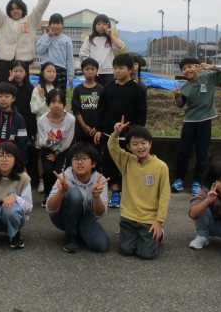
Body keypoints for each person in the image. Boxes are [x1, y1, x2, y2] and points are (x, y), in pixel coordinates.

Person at [108, 119, 170, 260]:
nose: (140, 147)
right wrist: (116, 133)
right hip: (128, 216)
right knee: (126, 250)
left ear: (150, 143)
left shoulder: (161, 167)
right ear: (129, 147)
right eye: (135, 144)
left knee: (146, 254)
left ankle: (159, 234)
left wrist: (159, 221)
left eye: (143, 143)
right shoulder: (127, 161)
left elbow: (164, 196)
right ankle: (138, 236)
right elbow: (112, 147)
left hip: (149, 219)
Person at [94, 53, 147, 208]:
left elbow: (141, 113)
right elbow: (101, 110)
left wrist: (137, 131)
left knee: (130, 165)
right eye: (115, 68)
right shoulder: (108, 88)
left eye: (120, 68)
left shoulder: (138, 89)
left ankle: (130, 193)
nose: (116, 71)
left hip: (130, 136)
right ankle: (115, 192)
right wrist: (98, 129)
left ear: (130, 69)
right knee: (110, 164)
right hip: (110, 135)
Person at [171, 58, 221, 196]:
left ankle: (197, 182)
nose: (187, 70)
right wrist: (177, 96)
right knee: (184, 152)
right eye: (184, 69)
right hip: (189, 121)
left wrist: (211, 67)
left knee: (202, 153)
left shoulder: (209, 78)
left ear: (197, 67)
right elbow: (180, 105)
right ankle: (179, 180)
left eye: (190, 66)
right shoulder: (185, 87)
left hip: (205, 121)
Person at [45, 142, 110, 253]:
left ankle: (78, 230)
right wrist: (61, 192)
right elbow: (50, 208)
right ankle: (70, 236)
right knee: (74, 194)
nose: (79, 162)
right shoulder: (64, 178)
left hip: (86, 216)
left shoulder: (100, 180)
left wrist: (96, 197)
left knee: (101, 245)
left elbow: (100, 214)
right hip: (62, 216)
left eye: (84, 158)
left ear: (93, 163)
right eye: (75, 159)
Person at [37, 89, 76, 207]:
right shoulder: (42, 120)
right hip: (47, 148)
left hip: (63, 150)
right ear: (48, 103)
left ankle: (60, 195)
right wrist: (49, 140)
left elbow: (68, 141)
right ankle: (48, 195)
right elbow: (41, 141)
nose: (56, 105)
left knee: (60, 171)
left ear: (64, 104)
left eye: (60, 102)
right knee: (48, 171)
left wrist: (57, 153)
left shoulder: (70, 119)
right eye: (53, 102)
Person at [7, 60, 39, 191]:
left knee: (27, 153)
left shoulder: (31, 89)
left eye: (21, 71)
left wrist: (33, 130)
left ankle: (30, 181)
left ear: (26, 73)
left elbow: (32, 112)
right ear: (11, 72)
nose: (18, 74)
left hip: (27, 126)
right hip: (10, 125)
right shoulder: (8, 88)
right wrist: (8, 83)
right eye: (15, 71)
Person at [79, 13, 126, 86]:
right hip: (94, 72)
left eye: (104, 24)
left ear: (108, 25)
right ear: (94, 26)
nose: (101, 26)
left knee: (109, 91)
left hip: (109, 72)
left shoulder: (111, 39)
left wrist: (110, 35)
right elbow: (83, 53)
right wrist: (89, 67)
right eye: (98, 24)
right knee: (95, 91)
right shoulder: (89, 39)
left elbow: (120, 46)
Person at [35, 13, 74, 92]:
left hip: (60, 69)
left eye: (58, 23)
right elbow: (40, 51)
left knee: (60, 93)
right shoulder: (44, 37)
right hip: (46, 68)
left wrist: (71, 76)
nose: (55, 26)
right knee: (44, 92)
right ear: (49, 25)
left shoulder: (67, 40)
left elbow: (69, 58)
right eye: (53, 23)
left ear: (62, 25)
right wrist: (49, 38)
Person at [71, 58, 103, 145]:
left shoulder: (101, 89)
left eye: (93, 69)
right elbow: (76, 110)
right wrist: (84, 126)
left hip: (96, 132)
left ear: (97, 71)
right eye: (87, 69)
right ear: (82, 71)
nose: (90, 72)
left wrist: (97, 128)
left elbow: (103, 110)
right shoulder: (78, 89)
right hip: (81, 130)